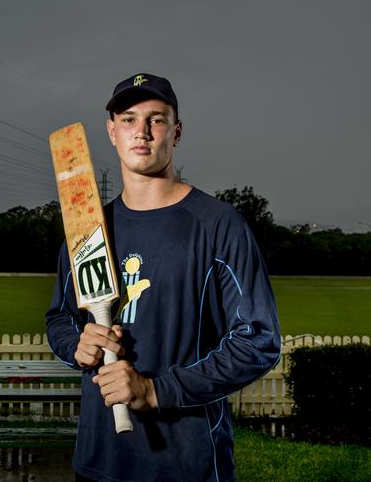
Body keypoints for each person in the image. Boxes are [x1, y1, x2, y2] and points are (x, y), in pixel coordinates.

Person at [46, 73, 281, 482]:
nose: (142, 132)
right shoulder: (87, 228)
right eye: (129, 119)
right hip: (99, 460)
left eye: (156, 119)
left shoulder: (217, 225)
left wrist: (155, 391)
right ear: (112, 131)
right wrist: (77, 346)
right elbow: (60, 319)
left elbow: (258, 340)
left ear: (176, 131)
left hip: (186, 463)